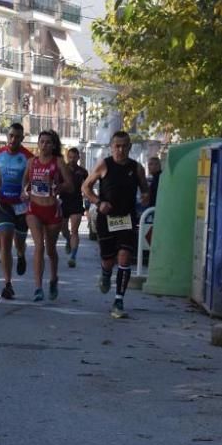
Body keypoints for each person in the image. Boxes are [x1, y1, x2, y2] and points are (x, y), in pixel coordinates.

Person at [82, 131, 150, 318]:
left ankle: (118, 301)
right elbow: (86, 187)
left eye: (124, 146)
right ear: (111, 147)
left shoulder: (137, 168)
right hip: (107, 219)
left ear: (129, 147)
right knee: (108, 260)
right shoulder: (104, 165)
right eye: (117, 146)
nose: (120, 150)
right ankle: (105, 273)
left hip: (127, 219)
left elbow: (145, 189)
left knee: (124, 257)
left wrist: (145, 196)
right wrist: (98, 202)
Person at [23, 129, 73, 302]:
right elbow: (25, 182)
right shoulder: (31, 162)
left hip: (52, 210)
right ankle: (38, 287)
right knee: (39, 246)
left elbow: (70, 185)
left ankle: (53, 278)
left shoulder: (58, 162)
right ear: (38, 144)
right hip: (34, 209)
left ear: (53, 145)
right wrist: (25, 192)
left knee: (50, 249)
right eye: (41, 141)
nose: (44, 145)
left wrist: (59, 187)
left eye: (48, 142)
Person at [0, 122, 33, 300]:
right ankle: (7, 284)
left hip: (21, 206)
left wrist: (28, 192)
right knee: (6, 239)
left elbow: (34, 180)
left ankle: (22, 253)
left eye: (17, 136)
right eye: (11, 135)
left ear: (22, 138)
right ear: (7, 136)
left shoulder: (28, 157)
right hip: (2, 203)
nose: (13, 139)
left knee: (19, 241)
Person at [59, 147, 89, 268]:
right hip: (63, 202)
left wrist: (87, 205)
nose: (72, 159)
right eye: (70, 157)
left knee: (75, 230)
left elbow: (87, 188)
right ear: (67, 157)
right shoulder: (62, 169)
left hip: (76, 202)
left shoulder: (83, 172)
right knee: (64, 229)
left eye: (74, 157)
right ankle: (68, 240)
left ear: (78, 158)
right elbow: (56, 184)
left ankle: (73, 257)